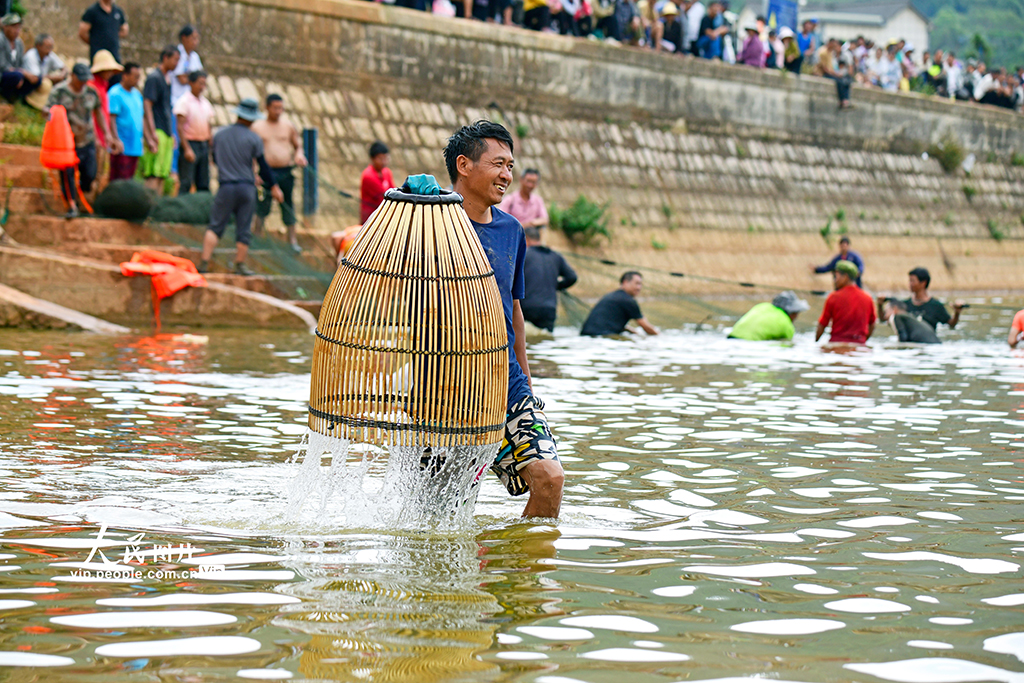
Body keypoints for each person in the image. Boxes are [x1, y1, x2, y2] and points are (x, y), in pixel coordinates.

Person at [440, 120, 564, 519]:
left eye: (510, 165)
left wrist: (525, 380)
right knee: (444, 513)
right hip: (444, 390)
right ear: (464, 165)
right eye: (498, 164)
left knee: (549, 479)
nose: (507, 175)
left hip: (505, 380)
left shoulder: (512, 230)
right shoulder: (433, 223)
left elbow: (514, 309)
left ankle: (517, 576)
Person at [198, 98, 283, 276]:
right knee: (244, 227)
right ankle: (240, 264)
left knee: (215, 225)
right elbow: (263, 166)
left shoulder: (219, 135)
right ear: (252, 119)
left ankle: (204, 262)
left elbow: (214, 159)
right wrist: (274, 186)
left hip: (226, 186)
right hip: (246, 188)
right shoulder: (254, 138)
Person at [46, 62, 118, 217]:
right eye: (80, 80)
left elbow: (98, 111)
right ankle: (71, 206)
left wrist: (106, 133)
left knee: (90, 174)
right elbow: (47, 110)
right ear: (72, 76)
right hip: (66, 142)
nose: (83, 84)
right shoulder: (59, 92)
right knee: (67, 174)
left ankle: (82, 192)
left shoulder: (91, 92)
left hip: (87, 139)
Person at [251, 94, 308, 252]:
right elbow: (252, 153)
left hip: (285, 171)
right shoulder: (257, 127)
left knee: (288, 204)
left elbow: (298, 145)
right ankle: (257, 236)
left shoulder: (288, 126)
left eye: (281, 108)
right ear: (267, 107)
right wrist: (253, 173)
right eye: (275, 108)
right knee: (262, 205)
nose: (278, 111)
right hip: (265, 172)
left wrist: (299, 155)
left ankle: (292, 240)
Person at [521, 226, 577, 332]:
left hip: (527, 307)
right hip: (549, 308)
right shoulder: (555, 256)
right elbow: (572, 277)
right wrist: (556, 286)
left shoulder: (524, 255)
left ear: (526, 239)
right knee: (546, 339)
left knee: (525, 341)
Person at [140, 46, 179, 195]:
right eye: (175, 59)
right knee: (153, 173)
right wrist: (151, 133)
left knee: (162, 174)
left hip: (166, 131)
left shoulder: (167, 79)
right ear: (165, 58)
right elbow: (147, 105)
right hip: (157, 130)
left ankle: (155, 209)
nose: (176, 63)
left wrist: (171, 133)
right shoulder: (154, 78)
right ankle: (147, 207)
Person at [815, 260, 875, 344]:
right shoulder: (868, 298)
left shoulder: (833, 297)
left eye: (836, 276)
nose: (835, 280)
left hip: (836, 345)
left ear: (845, 277)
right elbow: (872, 325)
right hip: (859, 346)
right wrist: (863, 341)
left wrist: (816, 342)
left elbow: (823, 324)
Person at [581, 271, 659, 336]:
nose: (639, 288)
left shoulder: (612, 296)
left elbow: (608, 322)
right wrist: (660, 337)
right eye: (637, 283)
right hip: (601, 337)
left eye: (640, 284)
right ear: (625, 282)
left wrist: (633, 332)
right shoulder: (628, 300)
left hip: (587, 335)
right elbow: (645, 326)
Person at [173, 70, 214, 195]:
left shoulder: (206, 103)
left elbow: (209, 125)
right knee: (186, 181)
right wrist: (187, 148)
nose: (202, 87)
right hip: (190, 143)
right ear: (191, 83)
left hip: (203, 145)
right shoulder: (184, 102)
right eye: (200, 83)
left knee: (203, 181)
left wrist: (210, 149)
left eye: (204, 84)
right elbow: (180, 127)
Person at [89, 49, 122, 190]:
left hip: (103, 138)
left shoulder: (103, 87)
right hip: (94, 137)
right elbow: (90, 114)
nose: (110, 73)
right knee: (92, 173)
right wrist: (95, 136)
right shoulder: (92, 87)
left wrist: (108, 136)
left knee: (100, 172)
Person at [106, 62, 143, 181]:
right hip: (121, 147)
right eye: (135, 76)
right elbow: (111, 117)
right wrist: (116, 139)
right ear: (125, 76)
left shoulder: (137, 95)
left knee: (129, 180)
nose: (137, 80)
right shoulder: (115, 93)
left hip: (135, 146)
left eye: (138, 77)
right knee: (118, 181)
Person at [728, 291, 809, 341]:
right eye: (796, 313)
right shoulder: (787, 325)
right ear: (791, 312)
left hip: (731, 338)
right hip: (750, 344)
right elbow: (787, 344)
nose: (796, 316)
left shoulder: (762, 306)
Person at [903, 266, 963, 332]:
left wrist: (957, 313)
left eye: (913, 281)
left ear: (923, 283)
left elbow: (951, 324)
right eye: (909, 281)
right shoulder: (904, 305)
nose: (910, 284)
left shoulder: (936, 305)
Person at [23, 34, 67, 111]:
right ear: (38, 46)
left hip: (44, 81)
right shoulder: (31, 56)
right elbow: (36, 77)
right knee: (45, 83)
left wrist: (62, 76)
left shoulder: (49, 54)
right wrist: (56, 77)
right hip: (31, 85)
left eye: (51, 47)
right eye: (47, 47)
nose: (50, 50)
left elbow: (64, 67)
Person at [79, 0, 128, 64]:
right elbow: (82, 33)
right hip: (98, 55)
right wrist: (96, 42)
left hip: (114, 54)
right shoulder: (92, 11)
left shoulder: (118, 11)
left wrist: (112, 38)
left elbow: (124, 30)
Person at [359, 140, 394, 224]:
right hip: (371, 218)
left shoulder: (387, 172)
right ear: (372, 159)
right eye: (380, 158)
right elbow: (384, 197)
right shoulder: (368, 175)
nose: (383, 162)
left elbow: (393, 190)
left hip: (384, 216)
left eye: (385, 158)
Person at [0, 14, 31, 103]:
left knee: (35, 78)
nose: (17, 31)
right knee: (17, 75)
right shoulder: (1, 40)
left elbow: (21, 63)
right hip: (3, 74)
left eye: (18, 28)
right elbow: (2, 65)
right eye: (13, 27)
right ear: (5, 27)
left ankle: (19, 98)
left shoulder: (19, 43)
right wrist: (20, 72)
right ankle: (5, 95)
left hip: (15, 73)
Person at [171, 25, 203, 106]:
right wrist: (193, 77)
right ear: (184, 38)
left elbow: (200, 77)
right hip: (175, 100)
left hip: (189, 103)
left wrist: (189, 76)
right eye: (193, 38)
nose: (196, 42)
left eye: (197, 39)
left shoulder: (195, 57)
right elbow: (182, 79)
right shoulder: (177, 54)